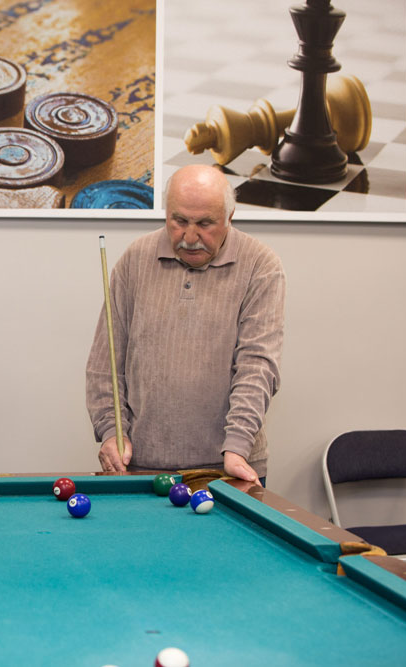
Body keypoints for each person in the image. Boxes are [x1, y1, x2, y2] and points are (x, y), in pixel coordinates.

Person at [86, 164, 285, 484]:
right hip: (142, 466)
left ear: (229, 217)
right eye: (179, 221)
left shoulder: (261, 265)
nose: (190, 237)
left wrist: (237, 447)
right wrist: (112, 432)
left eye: (205, 224)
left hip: (227, 467)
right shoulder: (135, 259)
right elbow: (104, 365)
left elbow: (257, 366)